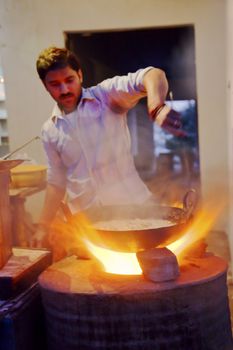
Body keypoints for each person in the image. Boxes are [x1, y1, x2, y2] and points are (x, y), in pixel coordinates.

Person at [31, 46, 183, 248]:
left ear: (80, 75)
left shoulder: (105, 96)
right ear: (45, 86)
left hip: (137, 213)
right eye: (55, 84)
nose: (65, 90)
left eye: (69, 80)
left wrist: (157, 107)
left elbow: (153, 74)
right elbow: (56, 182)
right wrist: (43, 226)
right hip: (87, 228)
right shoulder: (50, 130)